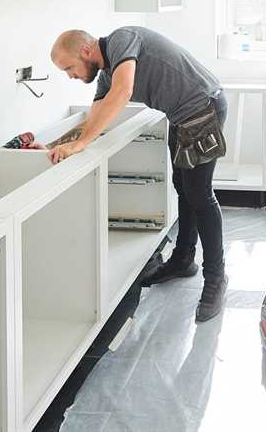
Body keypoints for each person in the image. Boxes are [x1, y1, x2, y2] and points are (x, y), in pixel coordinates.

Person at [41, 26, 228, 322]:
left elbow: (124, 90)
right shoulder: (106, 75)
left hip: (203, 108)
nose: (71, 76)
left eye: (69, 68)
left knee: (200, 196)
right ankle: (183, 259)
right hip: (182, 117)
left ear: (86, 51)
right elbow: (95, 118)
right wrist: (55, 146)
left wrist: (82, 143)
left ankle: (216, 279)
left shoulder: (122, 40)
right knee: (183, 188)